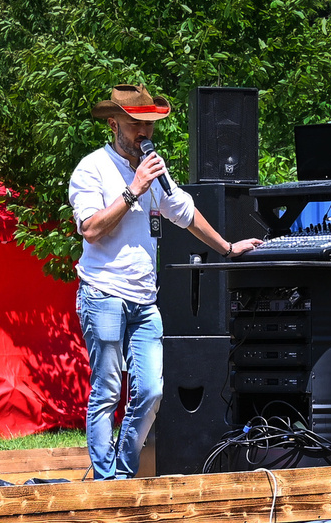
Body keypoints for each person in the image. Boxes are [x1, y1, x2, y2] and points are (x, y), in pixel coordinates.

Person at [67, 85, 261, 479]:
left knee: (151, 391)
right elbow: (90, 229)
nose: (144, 132)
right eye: (135, 124)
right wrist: (133, 189)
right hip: (103, 294)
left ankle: (124, 473)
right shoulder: (92, 168)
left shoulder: (154, 169)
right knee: (106, 391)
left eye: (149, 125)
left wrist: (227, 248)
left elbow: (186, 213)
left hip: (143, 300)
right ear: (113, 124)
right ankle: (106, 482)